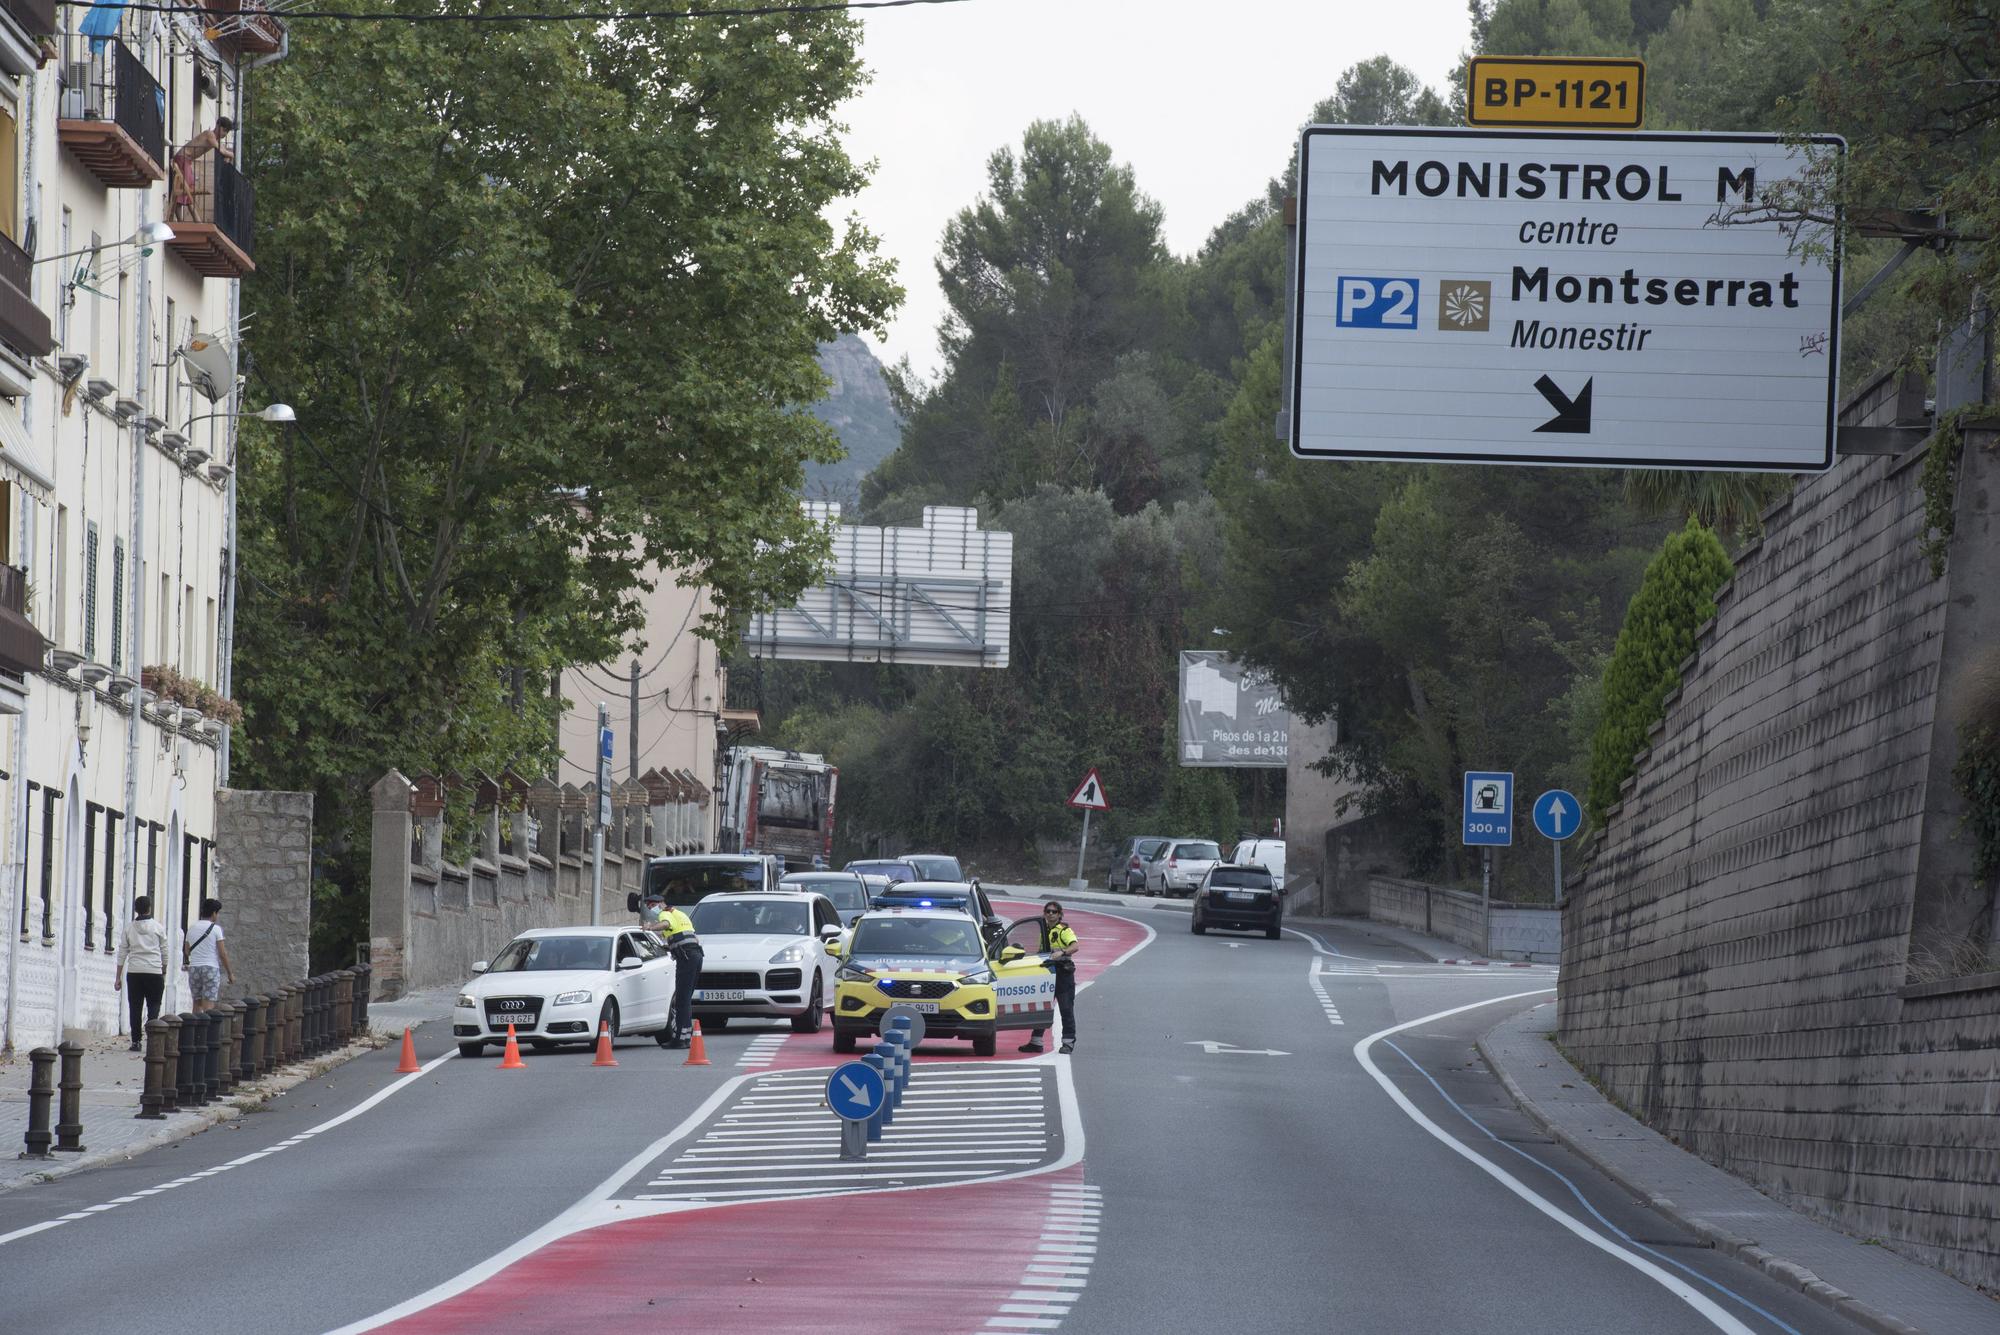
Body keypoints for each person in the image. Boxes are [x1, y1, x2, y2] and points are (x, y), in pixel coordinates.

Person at [1019, 901, 1079, 1055]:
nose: (1050, 914)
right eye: (1048, 911)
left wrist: (1063, 952)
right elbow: (1041, 952)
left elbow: (1075, 946)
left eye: (1054, 911)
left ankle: (1068, 1042)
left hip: (1063, 974)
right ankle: (1036, 1042)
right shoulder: (1043, 931)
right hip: (1047, 973)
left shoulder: (1064, 930)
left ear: (1059, 914)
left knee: (1066, 1009)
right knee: (1043, 1006)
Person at [113, 895, 169, 1051]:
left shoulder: (129, 928)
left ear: (136, 909)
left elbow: (122, 952)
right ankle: (152, 1038)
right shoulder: (158, 927)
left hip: (135, 972)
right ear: (150, 908)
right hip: (154, 971)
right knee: (154, 1005)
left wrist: (118, 977)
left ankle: (136, 1041)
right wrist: (163, 969)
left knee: (135, 1007)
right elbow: (165, 951)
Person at [650, 901, 702, 1048]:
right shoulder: (681, 914)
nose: (651, 909)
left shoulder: (665, 913)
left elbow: (665, 924)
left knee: (681, 1000)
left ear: (660, 904)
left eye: (651, 905)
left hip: (686, 958)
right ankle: (685, 1038)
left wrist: (650, 927)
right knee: (685, 999)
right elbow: (691, 937)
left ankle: (679, 1039)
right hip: (696, 955)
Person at [169, 116, 234, 222]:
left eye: (226, 132)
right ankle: (182, 220)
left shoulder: (215, 139)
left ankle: (194, 220)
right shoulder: (209, 134)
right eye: (224, 130)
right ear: (218, 126)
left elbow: (222, 150)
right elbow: (222, 151)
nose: (224, 134)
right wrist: (232, 155)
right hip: (182, 158)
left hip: (187, 160)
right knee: (184, 188)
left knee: (188, 187)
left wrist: (228, 157)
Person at [183, 898, 233, 1013]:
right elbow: (222, 953)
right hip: (210, 968)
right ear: (214, 913)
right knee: (208, 1005)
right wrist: (230, 973)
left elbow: (187, 951)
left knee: (197, 1003)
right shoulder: (216, 929)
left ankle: (195, 1029)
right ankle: (206, 1030)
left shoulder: (192, 928)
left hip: (194, 968)